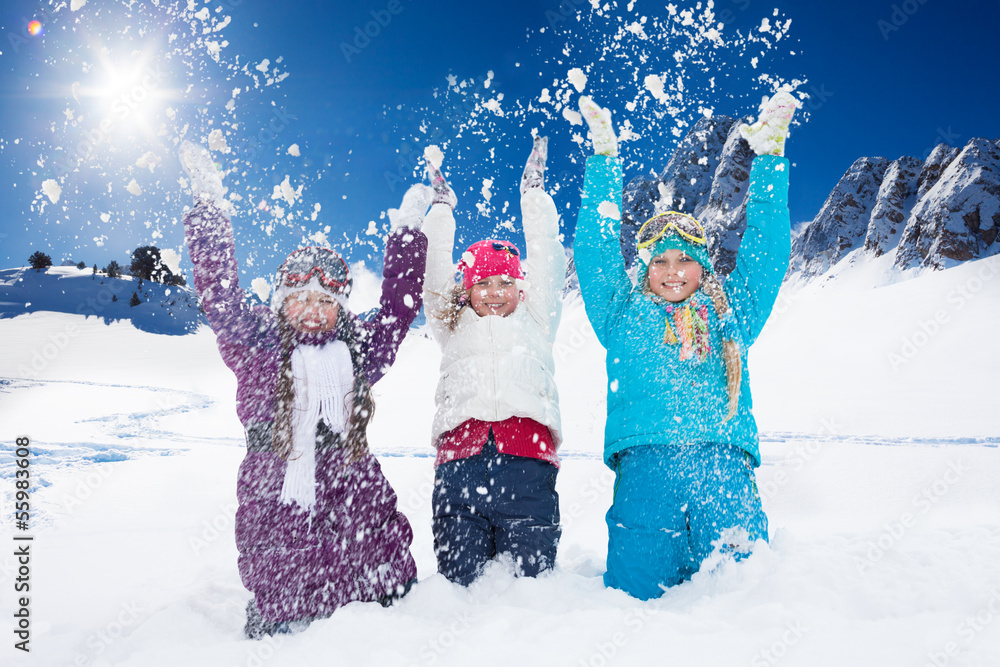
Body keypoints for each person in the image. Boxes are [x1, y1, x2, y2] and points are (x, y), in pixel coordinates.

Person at [179, 141, 430, 636]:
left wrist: (405, 239)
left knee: (373, 558)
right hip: (276, 481)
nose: (313, 308)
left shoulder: (357, 349)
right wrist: (208, 209)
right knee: (284, 561)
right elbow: (219, 293)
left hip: (351, 475)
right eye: (300, 298)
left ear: (340, 307)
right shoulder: (256, 344)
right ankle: (284, 627)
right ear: (280, 303)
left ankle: (380, 620)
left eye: (326, 299)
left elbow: (398, 313)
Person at [573, 91, 798, 599]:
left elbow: (766, 252)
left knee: (740, 597)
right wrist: (604, 164)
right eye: (660, 260)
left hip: (723, 468)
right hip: (645, 470)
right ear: (645, 267)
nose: (672, 271)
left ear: (704, 264)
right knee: (634, 600)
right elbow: (594, 250)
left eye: (685, 259)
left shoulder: (730, 312)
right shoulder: (622, 311)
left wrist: (770, 161)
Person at [421, 137, 565, 585]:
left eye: (506, 282)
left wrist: (533, 193)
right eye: (483, 283)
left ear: (521, 287)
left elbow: (546, 251)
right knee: (457, 584)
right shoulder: (451, 322)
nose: (495, 292)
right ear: (467, 289)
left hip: (528, 465)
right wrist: (442, 208)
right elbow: (432, 267)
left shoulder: (536, 318)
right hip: (458, 468)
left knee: (531, 587)